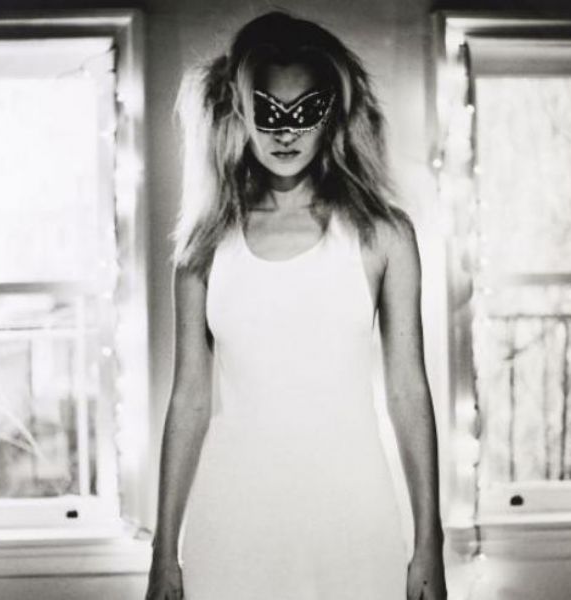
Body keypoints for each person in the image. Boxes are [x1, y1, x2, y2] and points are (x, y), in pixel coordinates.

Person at [145, 11, 447, 600]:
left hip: (355, 519)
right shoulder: (203, 248)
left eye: (305, 110)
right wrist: (164, 553)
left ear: (332, 113)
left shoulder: (384, 235)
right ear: (240, 112)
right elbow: (189, 401)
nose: (286, 132)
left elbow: (408, 392)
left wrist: (428, 541)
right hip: (230, 525)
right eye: (268, 111)